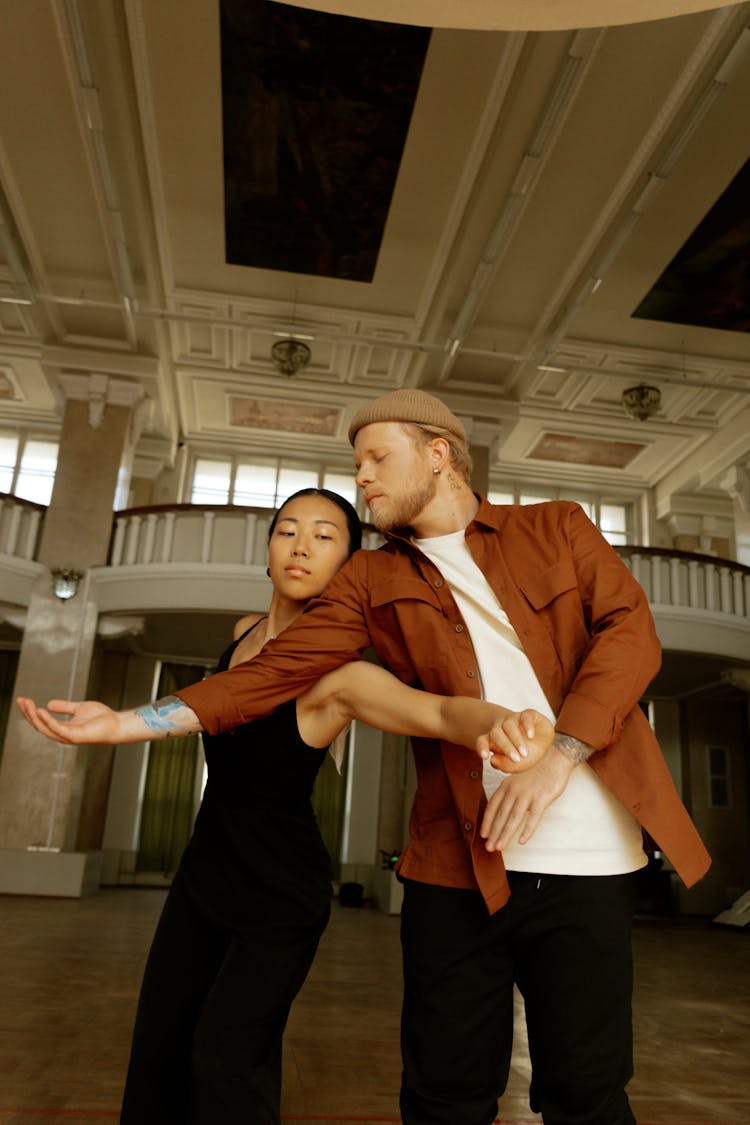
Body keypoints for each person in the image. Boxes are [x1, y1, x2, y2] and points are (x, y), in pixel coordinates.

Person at [18, 391, 711, 1125]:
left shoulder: (557, 526)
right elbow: (267, 674)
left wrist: (560, 752)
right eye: (358, 465)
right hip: (456, 864)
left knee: (588, 1095)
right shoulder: (371, 578)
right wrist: (123, 722)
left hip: (591, 861)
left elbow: (632, 633)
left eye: (378, 458)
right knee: (442, 1097)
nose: (365, 479)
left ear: (439, 452)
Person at [18, 484, 554, 1125]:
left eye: (326, 536)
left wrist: (500, 721)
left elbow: (438, 709)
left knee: (226, 1060)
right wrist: (116, 723)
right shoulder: (242, 636)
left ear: (350, 566)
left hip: (279, 891)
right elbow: (204, 709)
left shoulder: (342, 678)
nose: (301, 546)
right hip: (204, 872)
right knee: (161, 1045)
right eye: (287, 531)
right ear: (268, 552)